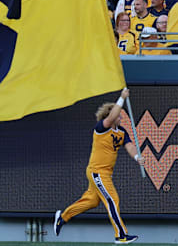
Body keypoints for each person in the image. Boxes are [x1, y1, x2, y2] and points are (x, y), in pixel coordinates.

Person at [53, 88, 143, 244]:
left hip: (105, 173)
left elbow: (129, 146)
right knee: (112, 199)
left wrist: (136, 157)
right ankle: (120, 235)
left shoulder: (121, 132)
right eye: (118, 115)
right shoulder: (101, 128)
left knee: (92, 201)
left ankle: (63, 217)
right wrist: (121, 98)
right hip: (97, 172)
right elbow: (112, 116)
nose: (120, 117)